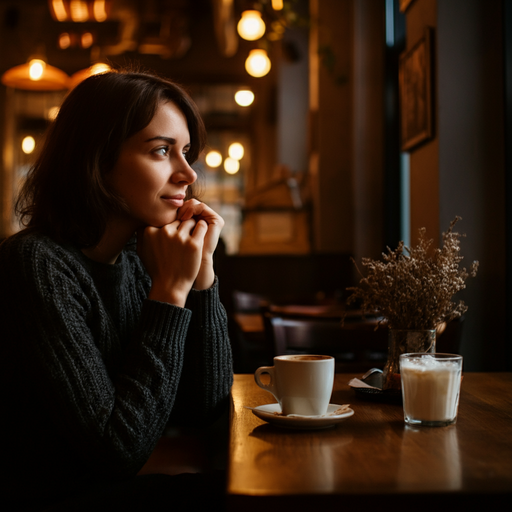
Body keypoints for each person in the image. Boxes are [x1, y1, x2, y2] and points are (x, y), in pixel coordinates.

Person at [0, 69, 233, 510]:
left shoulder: (137, 257)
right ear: (97, 159)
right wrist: (168, 291)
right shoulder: (36, 263)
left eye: (187, 152)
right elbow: (117, 451)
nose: (188, 173)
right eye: (162, 151)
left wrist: (202, 273)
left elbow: (205, 405)